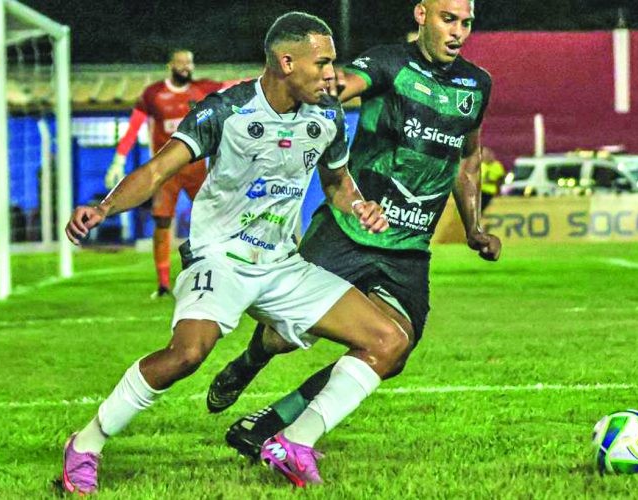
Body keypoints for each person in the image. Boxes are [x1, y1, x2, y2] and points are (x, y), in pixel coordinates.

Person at [60, 12, 409, 494]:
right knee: (188, 353)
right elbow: (159, 170)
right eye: (323, 63)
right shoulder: (225, 110)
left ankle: (294, 443)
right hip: (219, 259)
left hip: (283, 266)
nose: (333, 75)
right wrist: (102, 209)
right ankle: (86, 443)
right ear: (287, 61)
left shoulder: (327, 115)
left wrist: (360, 205)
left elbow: (336, 183)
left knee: (388, 342)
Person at [207, 0, 503, 459]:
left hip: (408, 247)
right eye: (449, 19)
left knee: (392, 349)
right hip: (348, 230)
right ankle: (250, 362)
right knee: (284, 336)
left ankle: (270, 426)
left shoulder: (476, 84)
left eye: (466, 23)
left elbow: (468, 157)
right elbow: (342, 86)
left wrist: (474, 226)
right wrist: (316, 92)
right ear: (421, 15)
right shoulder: (388, 63)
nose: (458, 32)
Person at [104, 49, 223, 298]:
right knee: (161, 222)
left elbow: (239, 89)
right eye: (180, 62)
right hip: (165, 170)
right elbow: (134, 126)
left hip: (196, 167)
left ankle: (219, 272)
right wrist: (119, 159)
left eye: (189, 62)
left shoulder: (204, 89)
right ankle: (162, 284)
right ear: (171, 65)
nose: (185, 67)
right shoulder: (153, 94)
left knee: (214, 219)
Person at [479, 146, 505, 213]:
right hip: (479, 191)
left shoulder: (497, 166)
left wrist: (490, 181)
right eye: (484, 155)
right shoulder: (481, 165)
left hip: (489, 192)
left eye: (487, 155)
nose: (485, 157)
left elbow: (501, 181)